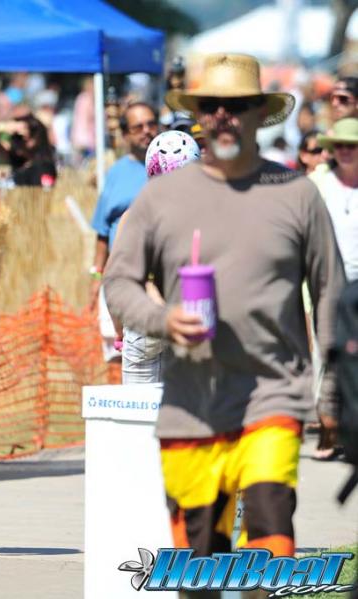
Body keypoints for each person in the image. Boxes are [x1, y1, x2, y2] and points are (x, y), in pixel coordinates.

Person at [104, 53, 343, 589]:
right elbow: (118, 283)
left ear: (260, 112)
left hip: (272, 397)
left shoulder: (297, 194)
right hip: (191, 407)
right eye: (211, 106)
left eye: (236, 106)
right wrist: (161, 317)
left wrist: (333, 391)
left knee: (268, 533)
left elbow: (331, 291)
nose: (223, 116)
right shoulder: (162, 198)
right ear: (199, 116)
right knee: (199, 565)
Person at [115, 130, 201, 385]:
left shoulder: (133, 216)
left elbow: (116, 277)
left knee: (137, 407)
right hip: (189, 318)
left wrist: (120, 330)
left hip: (143, 321)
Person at [88, 103, 158, 364]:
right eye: (138, 127)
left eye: (151, 124)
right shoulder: (116, 173)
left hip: (157, 280)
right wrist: (97, 276)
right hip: (122, 276)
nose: (146, 131)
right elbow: (103, 231)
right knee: (125, 356)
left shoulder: (173, 165)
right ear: (126, 134)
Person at [308, 118, 358, 461]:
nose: (345, 151)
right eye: (339, 145)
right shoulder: (319, 184)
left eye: (351, 145)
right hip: (326, 284)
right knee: (328, 356)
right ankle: (328, 432)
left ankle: (346, 431)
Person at [0, 114, 56, 187]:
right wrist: (1, 127)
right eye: (17, 137)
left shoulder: (44, 167)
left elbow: (43, 190)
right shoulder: (17, 158)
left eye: (24, 137)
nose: (20, 142)